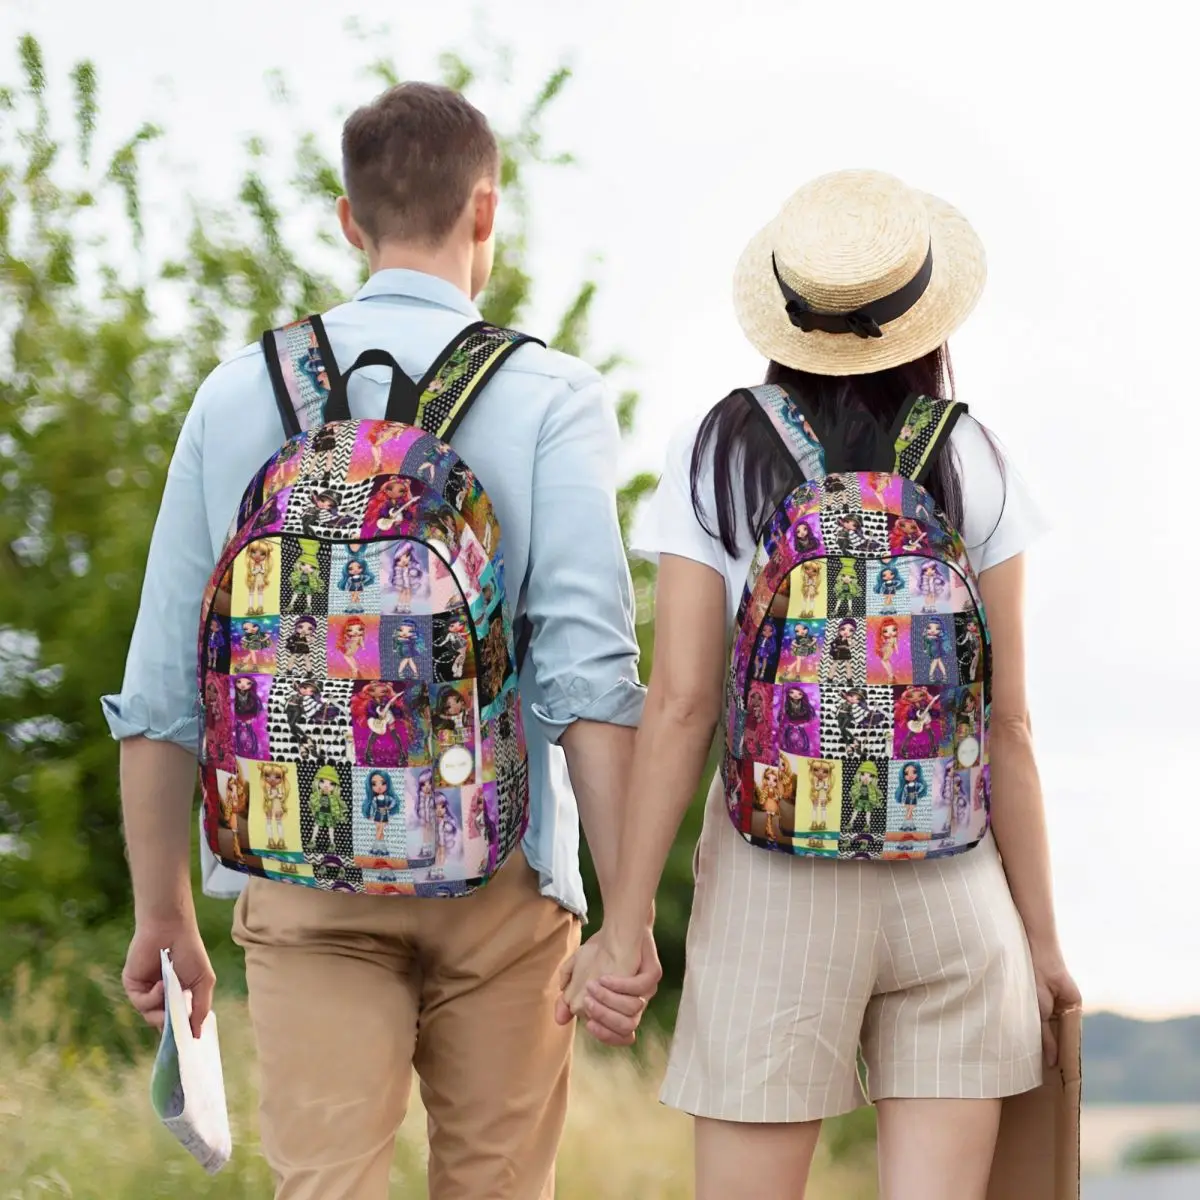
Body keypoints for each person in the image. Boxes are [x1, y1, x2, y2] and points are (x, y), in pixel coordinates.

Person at [103, 82, 660, 1200]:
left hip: (299, 869)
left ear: (349, 221)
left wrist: (163, 912)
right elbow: (590, 678)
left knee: (326, 1186)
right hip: (499, 869)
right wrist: (627, 915)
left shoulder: (236, 395)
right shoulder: (551, 395)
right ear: (486, 213)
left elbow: (165, 684)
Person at [559, 169, 1080, 1200]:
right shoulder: (973, 454)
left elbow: (681, 706)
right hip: (954, 886)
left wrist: (623, 927)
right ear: (925, 316)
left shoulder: (718, 450)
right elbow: (1009, 723)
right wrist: (1043, 943)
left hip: (773, 885)